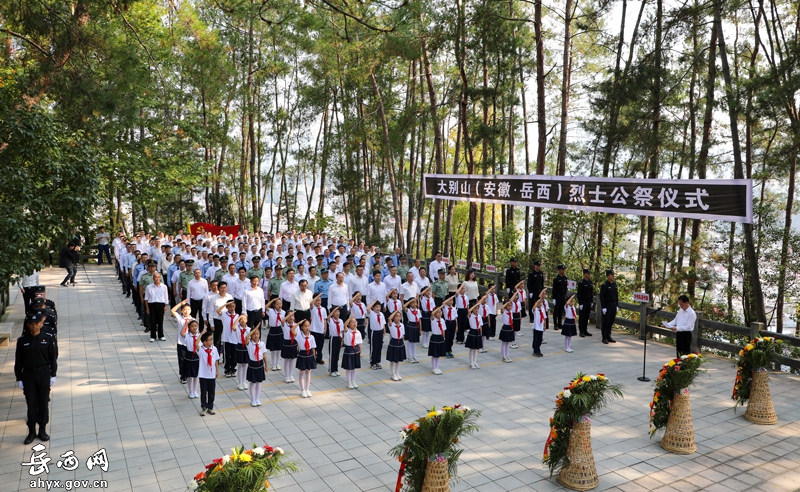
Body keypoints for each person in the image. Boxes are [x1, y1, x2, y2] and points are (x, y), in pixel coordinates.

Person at [15, 313, 58, 444]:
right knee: (31, 403)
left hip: (43, 374)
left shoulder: (48, 338)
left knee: (43, 402)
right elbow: (18, 361)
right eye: (31, 324)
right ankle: (32, 431)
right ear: (27, 325)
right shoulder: (22, 341)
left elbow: (53, 358)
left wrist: (53, 374)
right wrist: (19, 378)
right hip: (28, 375)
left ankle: (42, 430)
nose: (34, 326)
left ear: (41, 323)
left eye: (36, 323)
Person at [171, 300, 193, 384]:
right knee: (182, 359)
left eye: (188, 309)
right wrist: (181, 303)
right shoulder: (180, 318)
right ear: (181, 311)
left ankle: (189, 374)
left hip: (189, 342)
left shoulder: (193, 320)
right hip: (181, 342)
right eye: (184, 309)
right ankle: (183, 375)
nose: (186, 311)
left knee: (189, 359)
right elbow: (172, 310)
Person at [181, 319, 204, 400]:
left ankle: (195, 391)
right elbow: (182, 333)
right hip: (189, 355)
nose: (194, 327)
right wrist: (186, 324)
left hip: (197, 355)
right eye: (192, 326)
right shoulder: (187, 335)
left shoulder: (199, 335)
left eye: (195, 326)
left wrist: (201, 334)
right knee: (189, 375)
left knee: (196, 375)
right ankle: (190, 391)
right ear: (189, 328)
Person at [198, 331, 220, 416]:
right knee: (203, 392)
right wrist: (201, 334)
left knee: (212, 391)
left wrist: (217, 370)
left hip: (211, 374)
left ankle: (210, 406)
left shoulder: (214, 349)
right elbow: (196, 344)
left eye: (212, 339)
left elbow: (216, 360)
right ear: (204, 342)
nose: (211, 341)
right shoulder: (201, 349)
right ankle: (204, 406)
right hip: (203, 374)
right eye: (210, 340)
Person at [245, 328, 267, 406]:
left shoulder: (262, 344)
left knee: (259, 382)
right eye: (254, 334)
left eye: (257, 334)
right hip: (252, 364)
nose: (256, 336)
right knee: (253, 382)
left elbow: (264, 355)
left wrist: (266, 365)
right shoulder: (249, 344)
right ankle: (253, 399)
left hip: (260, 364)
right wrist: (254, 328)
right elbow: (246, 337)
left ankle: (257, 398)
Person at [144, 272, 169, 342]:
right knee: (153, 320)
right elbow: (146, 298)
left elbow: (166, 297)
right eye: (156, 277)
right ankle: (153, 336)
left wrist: (165, 306)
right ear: (153, 278)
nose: (157, 279)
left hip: (161, 304)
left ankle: (161, 335)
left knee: (160, 320)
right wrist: (147, 308)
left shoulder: (164, 286)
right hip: (152, 304)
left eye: (158, 277)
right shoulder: (149, 287)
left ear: (160, 278)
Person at [295, 320, 317, 398]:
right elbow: (292, 330)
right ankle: (302, 390)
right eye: (305, 326)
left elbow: (313, 348)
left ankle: (307, 389)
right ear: (302, 327)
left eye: (308, 326)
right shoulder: (299, 336)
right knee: (302, 372)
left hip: (310, 355)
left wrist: (314, 358)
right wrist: (298, 323)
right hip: (303, 354)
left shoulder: (311, 337)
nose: (307, 328)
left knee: (308, 372)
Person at [342, 317, 363, 389]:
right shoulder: (347, 331)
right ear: (349, 324)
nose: (354, 324)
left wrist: (360, 352)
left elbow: (359, 343)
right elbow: (344, 325)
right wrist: (350, 317)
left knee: (354, 367)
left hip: (356, 350)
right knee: (349, 368)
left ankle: (353, 380)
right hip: (349, 349)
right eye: (352, 322)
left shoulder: (358, 332)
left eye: (355, 322)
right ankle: (349, 382)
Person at [265, 298, 286, 371]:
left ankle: (278, 363)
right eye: (277, 304)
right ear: (274, 305)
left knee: (279, 348)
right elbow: (266, 307)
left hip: (280, 330)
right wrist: (272, 300)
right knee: (273, 349)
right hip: (273, 330)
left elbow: (284, 323)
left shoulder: (283, 312)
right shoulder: (271, 311)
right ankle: (273, 364)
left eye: (280, 303)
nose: (279, 305)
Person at [599, 270, 619, 344]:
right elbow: (602, 297)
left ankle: (609, 335)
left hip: (613, 304)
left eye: (613, 274)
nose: (613, 276)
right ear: (607, 276)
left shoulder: (614, 285)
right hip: (607, 304)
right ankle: (604, 337)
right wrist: (603, 307)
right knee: (606, 321)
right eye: (611, 275)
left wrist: (617, 305)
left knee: (611, 321)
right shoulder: (604, 285)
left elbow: (616, 296)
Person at [386, 311, 406, 380]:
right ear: (393, 318)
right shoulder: (391, 325)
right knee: (392, 360)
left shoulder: (402, 325)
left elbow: (402, 335)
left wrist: (402, 343)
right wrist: (395, 311)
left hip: (400, 342)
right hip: (393, 342)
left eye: (399, 316)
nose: (398, 318)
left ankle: (397, 373)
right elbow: (389, 319)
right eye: (396, 316)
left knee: (398, 360)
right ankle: (393, 374)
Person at [233, 314, 251, 391]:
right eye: (241, 319)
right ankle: (240, 382)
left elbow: (249, 339)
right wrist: (238, 318)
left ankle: (244, 381)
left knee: (245, 365)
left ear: (247, 320)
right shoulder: (237, 328)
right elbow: (233, 326)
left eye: (244, 318)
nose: (243, 320)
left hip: (246, 347)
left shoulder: (249, 329)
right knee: (240, 365)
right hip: (239, 346)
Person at [465, 300, 484, 369]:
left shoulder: (479, 316)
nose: (476, 310)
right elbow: (469, 311)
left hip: (477, 332)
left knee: (476, 348)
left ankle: (475, 361)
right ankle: (471, 362)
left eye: (477, 308)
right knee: (472, 349)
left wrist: (480, 334)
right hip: (472, 332)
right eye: (475, 309)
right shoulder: (470, 315)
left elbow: (480, 325)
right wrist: (475, 305)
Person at [367, 301, 386, 370]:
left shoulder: (381, 314)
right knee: (373, 347)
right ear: (373, 308)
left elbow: (383, 323)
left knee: (379, 347)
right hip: (374, 332)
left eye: (379, 307)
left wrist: (384, 331)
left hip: (380, 332)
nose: (378, 308)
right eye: (376, 307)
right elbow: (367, 308)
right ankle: (372, 362)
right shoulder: (371, 313)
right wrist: (374, 301)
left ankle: (377, 361)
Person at [281, 312, 299, 383]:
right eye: (289, 316)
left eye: (292, 315)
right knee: (286, 360)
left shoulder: (296, 325)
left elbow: (298, 335)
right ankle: (286, 375)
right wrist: (288, 315)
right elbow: (282, 321)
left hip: (293, 343)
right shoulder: (285, 324)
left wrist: (298, 344)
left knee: (292, 359)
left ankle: (291, 375)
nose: (291, 317)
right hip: (286, 343)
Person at [576, 269, 594, 337]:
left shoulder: (590, 282)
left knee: (587, 316)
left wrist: (591, 301)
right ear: (584, 274)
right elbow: (579, 294)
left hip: (588, 301)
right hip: (583, 302)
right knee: (582, 317)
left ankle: (585, 330)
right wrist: (580, 303)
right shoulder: (581, 283)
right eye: (587, 274)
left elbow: (591, 293)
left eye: (589, 274)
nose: (589, 275)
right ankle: (581, 331)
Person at [428, 307, 447, 374]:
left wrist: (443, 338)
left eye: (440, 312)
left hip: (440, 337)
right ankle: (434, 368)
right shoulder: (433, 320)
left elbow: (444, 329)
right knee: (434, 354)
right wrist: (440, 307)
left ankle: (437, 367)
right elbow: (432, 313)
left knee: (438, 354)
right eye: (438, 312)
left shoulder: (442, 320)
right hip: (435, 337)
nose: (439, 313)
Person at [310, 295, 327, 364]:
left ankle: (319, 358)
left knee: (320, 345)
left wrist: (325, 328)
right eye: (316, 300)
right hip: (314, 329)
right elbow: (311, 303)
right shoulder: (313, 308)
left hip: (321, 330)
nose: (318, 302)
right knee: (314, 345)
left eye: (319, 300)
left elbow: (325, 319)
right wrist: (317, 296)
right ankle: (313, 358)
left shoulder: (323, 309)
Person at [326, 307, 343, 377]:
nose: (337, 313)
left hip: (339, 338)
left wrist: (342, 340)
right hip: (333, 338)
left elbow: (341, 331)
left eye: (338, 311)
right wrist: (332, 311)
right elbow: (327, 318)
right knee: (332, 354)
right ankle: (331, 370)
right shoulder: (331, 320)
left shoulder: (341, 321)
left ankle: (336, 369)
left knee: (337, 355)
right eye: (335, 311)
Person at [405, 297, 422, 363]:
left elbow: (420, 320)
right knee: (409, 342)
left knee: (414, 343)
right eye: (413, 302)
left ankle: (414, 356)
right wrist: (409, 301)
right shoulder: (408, 310)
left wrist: (420, 329)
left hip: (416, 326)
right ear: (410, 304)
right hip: (410, 326)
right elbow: (403, 306)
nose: (415, 304)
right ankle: (409, 357)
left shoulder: (418, 310)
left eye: (415, 302)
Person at [499, 298, 515, 363]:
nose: (510, 307)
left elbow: (511, 320)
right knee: (504, 343)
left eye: (510, 305)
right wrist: (506, 303)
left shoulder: (511, 312)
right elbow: (502, 308)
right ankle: (504, 356)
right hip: (505, 328)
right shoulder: (504, 312)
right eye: (508, 306)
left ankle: (507, 355)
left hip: (510, 327)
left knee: (508, 343)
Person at [552, 264, 568, 330]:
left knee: (561, 310)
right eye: (562, 269)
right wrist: (554, 298)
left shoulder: (565, 278)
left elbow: (565, 287)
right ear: (559, 270)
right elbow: (554, 289)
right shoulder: (556, 279)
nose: (563, 271)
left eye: (564, 269)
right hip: (557, 296)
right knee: (556, 310)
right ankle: (555, 324)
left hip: (563, 296)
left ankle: (560, 323)